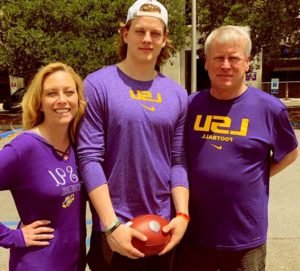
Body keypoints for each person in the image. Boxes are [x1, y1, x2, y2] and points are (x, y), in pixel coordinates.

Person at [76, 0, 190, 270]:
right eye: (140, 31)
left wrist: (183, 215)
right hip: (117, 229)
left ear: (165, 40)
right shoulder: (97, 85)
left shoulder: (177, 94)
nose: (147, 39)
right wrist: (110, 224)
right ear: (125, 33)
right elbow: (89, 158)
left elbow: (178, 160)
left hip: (162, 228)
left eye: (156, 33)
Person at [175, 25, 299, 271]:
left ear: (247, 63)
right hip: (194, 234)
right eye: (218, 58)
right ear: (206, 62)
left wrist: (258, 175)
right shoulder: (189, 106)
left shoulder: (270, 109)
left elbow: (291, 152)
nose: (226, 65)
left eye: (234, 58)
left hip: (245, 237)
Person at [0, 62, 86, 270]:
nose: (62, 100)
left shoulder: (79, 145)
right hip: (36, 263)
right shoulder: (23, 148)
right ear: (39, 102)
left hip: (74, 263)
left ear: (77, 98)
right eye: (51, 94)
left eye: (69, 92)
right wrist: (12, 237)